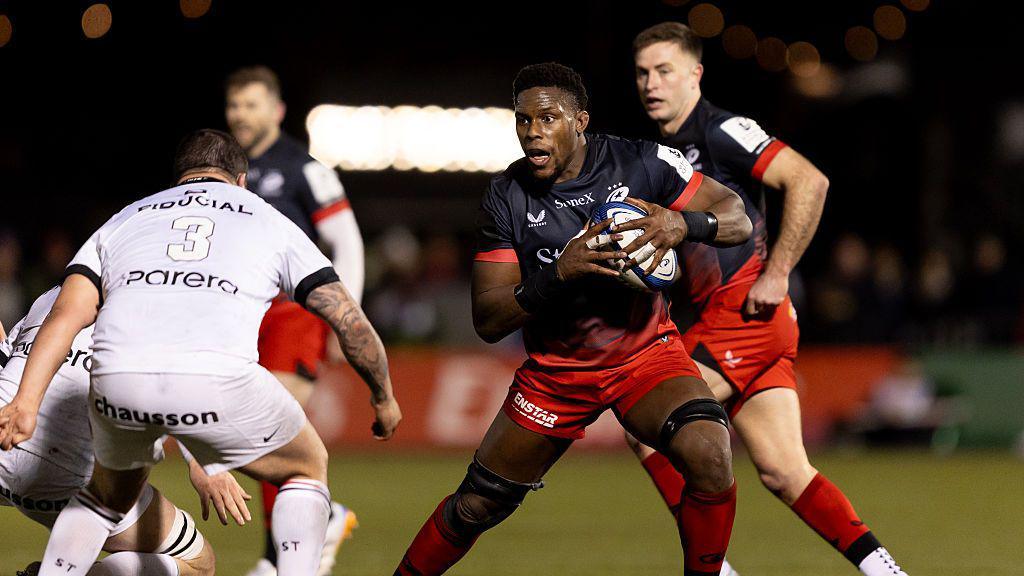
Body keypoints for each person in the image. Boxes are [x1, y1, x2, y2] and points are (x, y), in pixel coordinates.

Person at [395, 62, 752, 576]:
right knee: (478, 505)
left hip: (644, 357)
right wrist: (560, 271)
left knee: (710, 451)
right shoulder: (507, 196)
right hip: (557, 375)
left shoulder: (642, 162)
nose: (532, 132)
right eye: (523, 120)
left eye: (547, 118)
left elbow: (736, 216)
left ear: (580, 120)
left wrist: (682, 222)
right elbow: (490, 319)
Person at [0, 129, 401, 576]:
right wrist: (382, 394)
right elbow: (346, 316)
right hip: (208, 377)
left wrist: (26, 403)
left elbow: (66, 314)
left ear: (178, 182)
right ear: (243, 181)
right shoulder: (266, 217)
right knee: (305, 467)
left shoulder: (127, 218)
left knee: (103, 496)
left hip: (109, 381)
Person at [630, 22, 908, 576]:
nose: (651, 84)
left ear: (694, 75)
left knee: (646, 421)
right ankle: (884, 569)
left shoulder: (723, 130)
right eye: (641, 73)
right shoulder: (664, 153)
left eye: (664, 71)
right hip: (735, 322)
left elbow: (810, 181)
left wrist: (778, 272)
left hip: (746, 316)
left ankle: (713, 567)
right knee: (785, 471)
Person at [225, 66, 365, 576]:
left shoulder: (305, 169)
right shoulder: (227, 169)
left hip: (294, 314)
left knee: (267, 427)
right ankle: (282, 548)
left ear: (278, 111)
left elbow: (346, 241)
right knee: (257, 430)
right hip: (245, 318)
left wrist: (345, 320)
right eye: (235, 105)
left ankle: (290, 543)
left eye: (252, 104)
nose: (241, 114)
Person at [1, 287, 244, 576]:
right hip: (73, 478)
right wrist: (202, 462)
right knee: (198, 563)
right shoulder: (170, 311)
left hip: (5, 439)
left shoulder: (54, 294)